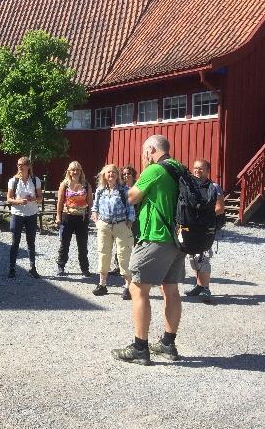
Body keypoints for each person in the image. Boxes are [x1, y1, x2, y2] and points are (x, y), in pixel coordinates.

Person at [112, 134, 184, 365]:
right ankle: (167, 343)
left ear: (151, 149)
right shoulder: (179, 168)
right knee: (170, 290)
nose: (144, 156)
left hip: (155, 237)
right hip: (177, 239)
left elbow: (131, 197)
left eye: (145, 152)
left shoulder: (154, 170)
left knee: (137, 289)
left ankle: (140, 347)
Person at [184, 159, 225, 303]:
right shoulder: (190, 187)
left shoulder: (214, 187)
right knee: (192, 257)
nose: (197, 171)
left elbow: (219, 208)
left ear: (208, 171)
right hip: (192, 227)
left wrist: (202, 218)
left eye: (201, 169)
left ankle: (206, 289)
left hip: (205, 228)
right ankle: (199, 285)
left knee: (203, 257)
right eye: (195, 168)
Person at [90, 164, 135, 298]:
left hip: (121, 224)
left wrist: (129, 223)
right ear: (104, 175)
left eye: (114, 172)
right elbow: (95, 207)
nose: (111, 174)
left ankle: (128, 286)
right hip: (104, 225)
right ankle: (102, 285)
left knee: (123, 255)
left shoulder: (124, 190)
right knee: (103, 253)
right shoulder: (100, 190)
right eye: (109, 172)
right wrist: (97, 221)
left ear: (117, 175)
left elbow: (130, 208)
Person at [7, 156, 43, 279]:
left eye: (22, 164)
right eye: (18, 165)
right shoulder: (13, 181)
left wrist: (32, 199)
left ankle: (33, 268)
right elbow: (9, 199)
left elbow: (40, 198)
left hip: (31, 214)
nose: (19, 167)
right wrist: (18, 201)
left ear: (28, 166)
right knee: (15, 242)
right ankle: (12, 268)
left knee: (31, 242)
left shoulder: (35, 180)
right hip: (17, 214)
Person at [55, 161, 93, 276]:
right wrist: (58, 216)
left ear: (81, 171)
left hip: (82, 218)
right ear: (69, 171)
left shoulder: (86, 185)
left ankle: (84, 268)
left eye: (77, 170)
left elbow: (90, 202)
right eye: (73, 170)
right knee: (65, 243)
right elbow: (60, 202)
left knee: (82, 244)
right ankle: (61, 266)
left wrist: (90, 214)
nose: (75, 172)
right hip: (67, 217)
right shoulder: (64, 184)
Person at [109, 164, 139, 276]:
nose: (126, 176)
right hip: (122, 219)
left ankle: (134, 266)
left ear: (133, 175)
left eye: (128, 173)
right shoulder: (121, 188)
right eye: (124, 174)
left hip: (137, 218)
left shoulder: (138, 186)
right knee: (120, 243)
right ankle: (118, 266)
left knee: (135, 241)